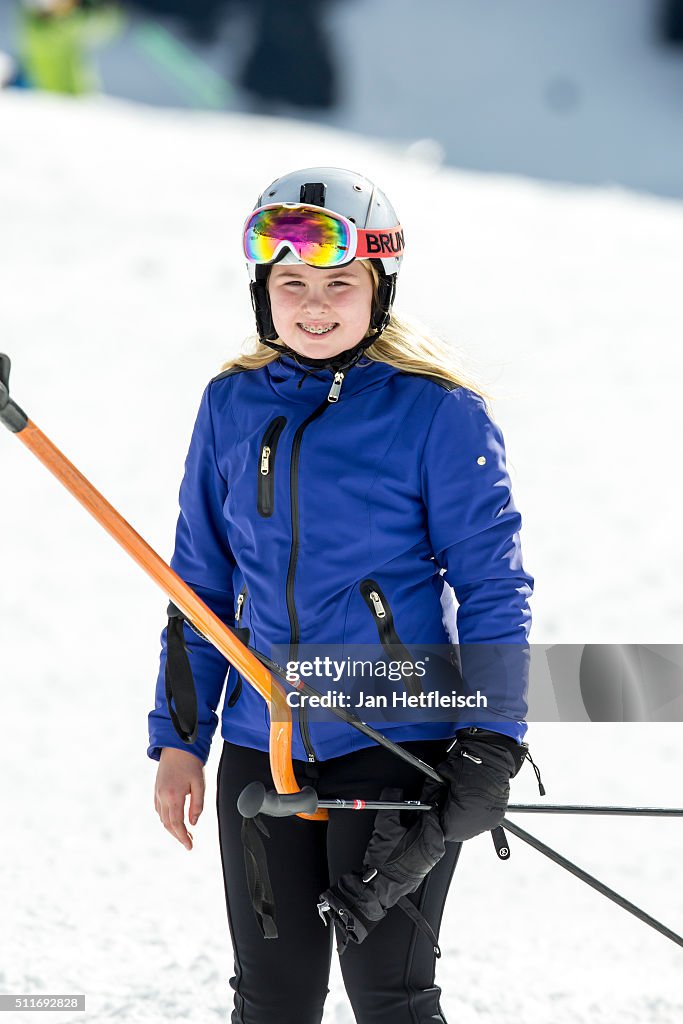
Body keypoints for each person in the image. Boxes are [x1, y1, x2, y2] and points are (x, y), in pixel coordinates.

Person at [148, 166, 534, 1023]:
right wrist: (181, 740)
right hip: (264, 741)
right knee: (271, 1000)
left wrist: (491, 741)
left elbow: (492, 586)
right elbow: (198, 584)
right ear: (263, 292)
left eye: (337, 283)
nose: (313, 305)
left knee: (389, 997)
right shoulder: (230, 404)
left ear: (377, 289)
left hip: (396, 745)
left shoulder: (439, 414)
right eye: (291, 283)